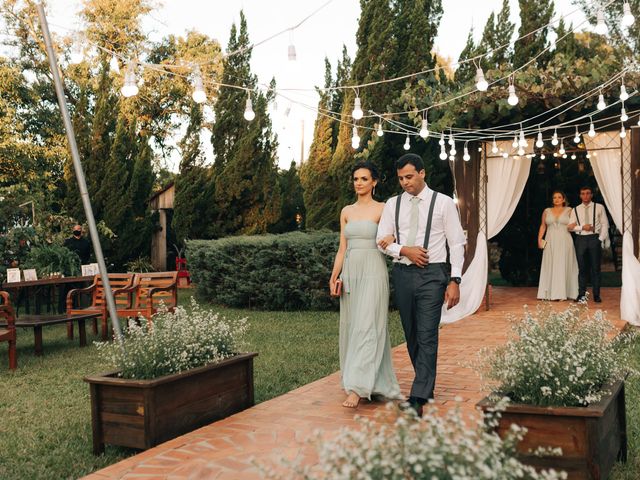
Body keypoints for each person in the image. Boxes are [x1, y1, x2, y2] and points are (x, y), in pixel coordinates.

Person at [376, 153, 466, 417]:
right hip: (403, 274)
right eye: (401, 178)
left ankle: (418, 396)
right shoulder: (392, 205)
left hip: (433, 274)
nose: (405, 182)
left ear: (422, 173)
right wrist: (404, 249)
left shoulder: (444, 203)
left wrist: (455, 279)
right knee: (412, 333)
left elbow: (456, 243)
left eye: (409, 176)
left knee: (427, 334)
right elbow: (380, 240)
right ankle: (426, 384)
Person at [329, 161, 402, 409]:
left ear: (374, 182)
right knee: (353, 326)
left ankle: (359, 388)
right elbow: (342, 249)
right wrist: (334, 275)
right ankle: (376, 383)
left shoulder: (384, 208)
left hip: (373, 270)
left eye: (364, 179)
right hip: (351, 272)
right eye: (356, 179)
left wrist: (391, 237)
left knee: (369, 325)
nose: (358, 183)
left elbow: (394, 236)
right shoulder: (346, 211)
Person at [567, 186, 609, 303]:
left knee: (596, 268)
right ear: (580, 196)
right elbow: (570, 227)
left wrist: (600, 239)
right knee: (582, 269)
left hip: (594, 238)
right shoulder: (575, 209)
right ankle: (581, 295)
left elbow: (605, 224)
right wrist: (582, 227)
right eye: (583, 193)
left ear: (591, 195)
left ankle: (596, 295)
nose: (585, 196)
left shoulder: (599, 207)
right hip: (580, 240)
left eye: (587, 193)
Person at [536, 191, 579, 301]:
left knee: (563, 264)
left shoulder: (570, 210)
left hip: (565, 241)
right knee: (550, 264)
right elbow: (543, 226)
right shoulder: (546, 211)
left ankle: (562, 293)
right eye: (554, 197)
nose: (557, 199)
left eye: (559, 197)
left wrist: (574, 225)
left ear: (563, 199)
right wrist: (539, 239)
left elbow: (575, 224)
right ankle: (547, 293)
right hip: (550, 240)